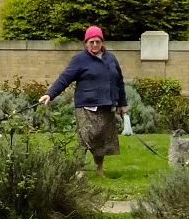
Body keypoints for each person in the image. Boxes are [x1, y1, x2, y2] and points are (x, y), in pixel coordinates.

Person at [38, 25, 128, 176]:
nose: (94, 45)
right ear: (86, 43)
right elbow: (64, 78)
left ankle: (99, 170)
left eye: (97, 42)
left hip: (106, 104)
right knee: (85, 138)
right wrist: (50, 94)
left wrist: (122, 103)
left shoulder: (111, 58)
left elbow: (119, 82)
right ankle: (79, 170)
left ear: (102, 42)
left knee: (102, 139)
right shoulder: (80, 59)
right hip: (86, 106)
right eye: (91, 42)